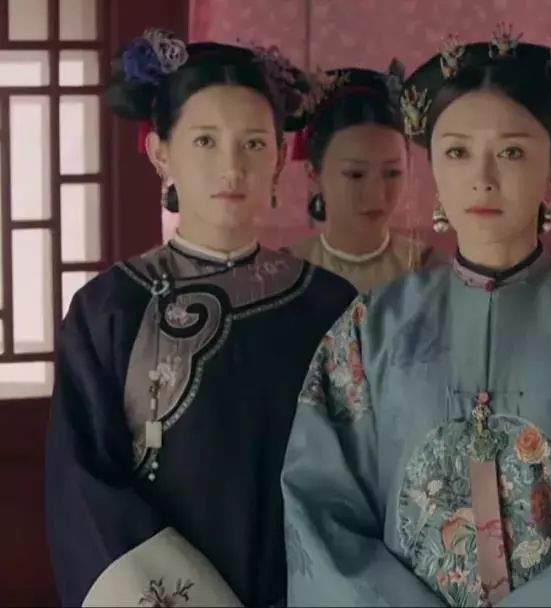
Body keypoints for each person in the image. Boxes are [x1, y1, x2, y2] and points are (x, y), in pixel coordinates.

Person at [282, 24, 551, 607]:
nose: (483, 178)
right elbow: (320, 512)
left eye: (512, 152)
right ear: (433, 166)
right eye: (458, 152)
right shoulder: (372, 329)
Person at [45, 30, 356, 606]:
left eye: (254, 143)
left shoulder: (330, 305)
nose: (231, 167)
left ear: (280, 157)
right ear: (161, 153)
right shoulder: (109, 309)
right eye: (206, 141)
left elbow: (363, 480)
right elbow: (85, 494)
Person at [289, 63, 438, 292]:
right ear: (314, 174)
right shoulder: (285, 273)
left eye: (392, 173)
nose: (377, 194)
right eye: (356, 174)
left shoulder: (430, 270)